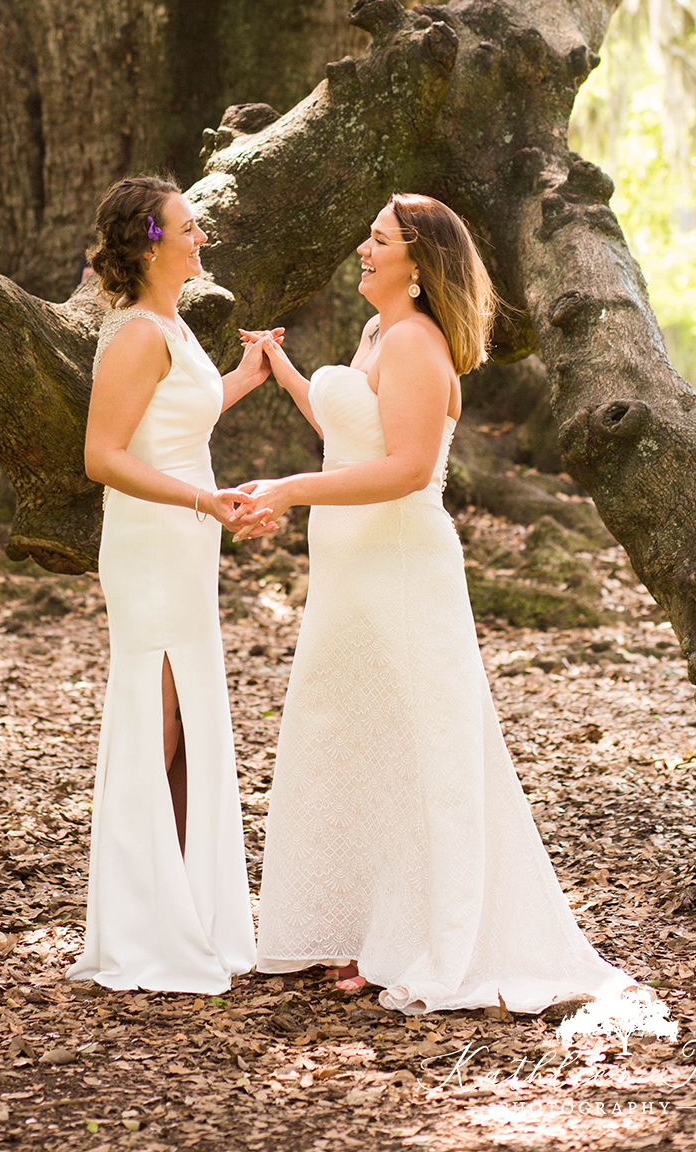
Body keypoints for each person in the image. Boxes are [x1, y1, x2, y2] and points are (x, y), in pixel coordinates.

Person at [238, 193, 631, 1015]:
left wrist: (291, 488)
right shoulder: (379, 332)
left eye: (379, 240)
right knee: (362, 738)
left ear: (417, 263)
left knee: (418, 746)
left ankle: (424, 937)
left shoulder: (416, 342)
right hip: (351, 569)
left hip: (400, 566)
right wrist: (285, 373)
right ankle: (373, 923)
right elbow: (356, 434)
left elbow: (408, 468)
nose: (363, 248)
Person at [68, 174, 274, 994]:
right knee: (155, 717)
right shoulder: (133, 335)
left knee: (185, 714)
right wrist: (200, 501)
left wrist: (248, 375)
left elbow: (180, 421)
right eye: (189, 228)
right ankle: (140, 921)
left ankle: (185, 904)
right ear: (150, 245)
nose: (201, 238)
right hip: (153, 542)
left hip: (189, 540)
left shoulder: (173, 325)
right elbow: (104, 456)